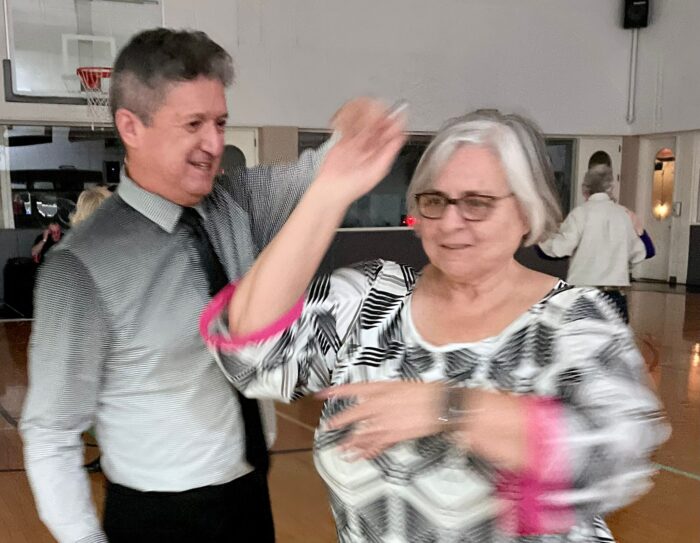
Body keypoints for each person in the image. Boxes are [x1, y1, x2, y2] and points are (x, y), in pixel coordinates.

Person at [201, 111, 670, 542]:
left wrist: (449, 408)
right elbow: (251, 357)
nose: (449, 222)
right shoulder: (372, 297)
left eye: (477, 203)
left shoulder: (573, 319)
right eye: (434, 200)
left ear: (527, 211)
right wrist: (329, 189)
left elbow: (615, 455)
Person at [20, 27, 398, 543]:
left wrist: (356, 123)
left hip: (249, 494)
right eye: (193, 124)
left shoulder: (237, 202)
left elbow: (324, 171)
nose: (215, 145)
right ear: (131, 127)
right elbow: (51, 431)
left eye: (220, 122)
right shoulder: (82, 265)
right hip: (158, 517)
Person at [538, 164, 654, 322]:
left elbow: (559, 249)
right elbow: (642, 253)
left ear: (585, 189)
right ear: (610, 188)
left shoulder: (580, 214)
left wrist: (541, 238)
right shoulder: (623, 215)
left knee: (581, 337)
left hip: (583, 295)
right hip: (614, 296)